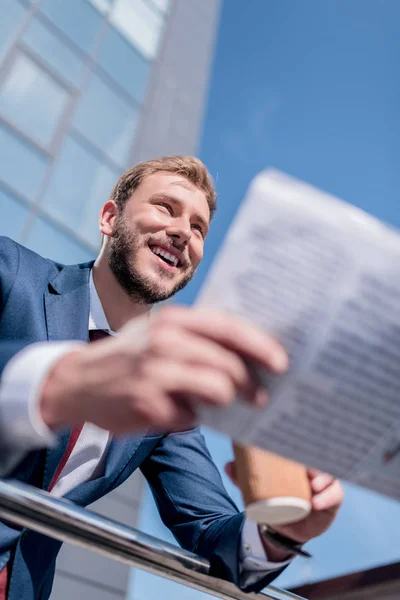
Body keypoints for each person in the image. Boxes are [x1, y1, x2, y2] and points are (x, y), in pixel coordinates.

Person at [0, 156, 343, 599]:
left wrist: (283, 532)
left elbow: (213, 534)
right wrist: (60, 383)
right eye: (165, 207)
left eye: (198, 228)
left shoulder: (166, 402)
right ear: (109, 218)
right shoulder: (11, 273)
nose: (184, 232)